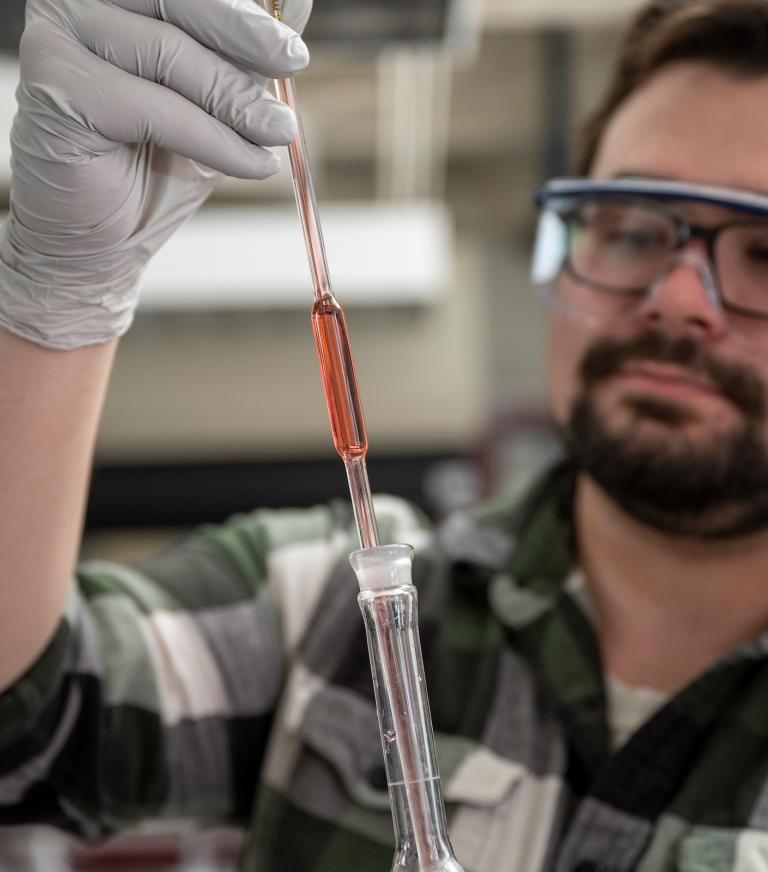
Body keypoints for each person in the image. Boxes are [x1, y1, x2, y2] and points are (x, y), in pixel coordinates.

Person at [3, 0, 768, 868]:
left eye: (763, 253)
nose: (674, 297)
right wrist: (57, 302)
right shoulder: (312, 606)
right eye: (633, 229)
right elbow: (23, 729)